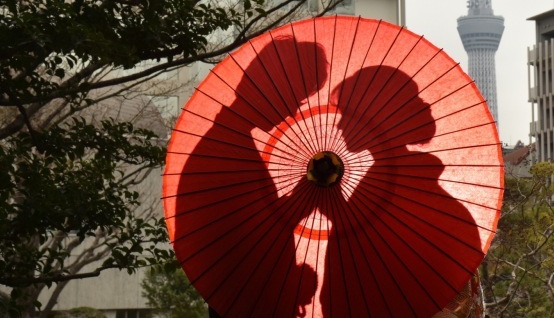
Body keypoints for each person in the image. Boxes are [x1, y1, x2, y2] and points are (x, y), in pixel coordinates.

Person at [169, 35, 328, 316]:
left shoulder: (227, 143)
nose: (294, 110)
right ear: (272, 87)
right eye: (296, 97)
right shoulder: (222, 152)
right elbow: (249, 241)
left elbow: (258, 225)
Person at [319, 65, 484, 317]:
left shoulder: (392, 195)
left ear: (376, 117)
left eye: (347, 113)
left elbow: (362, 283)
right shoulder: (425, 195)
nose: (339, 125)